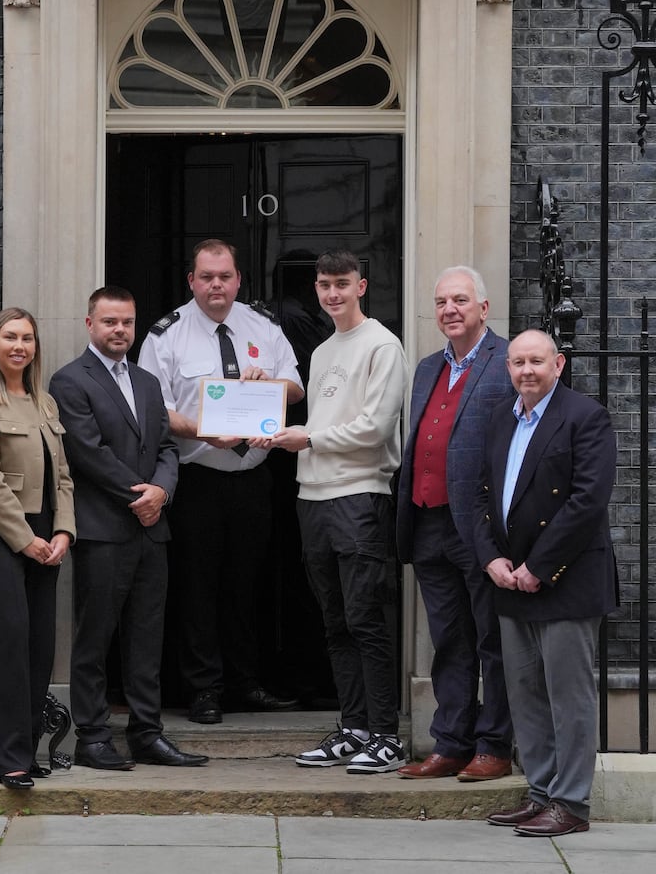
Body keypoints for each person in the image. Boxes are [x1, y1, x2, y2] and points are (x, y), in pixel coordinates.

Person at [137, 239, 304, 724]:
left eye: (225, 276)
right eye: (207, 277)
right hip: (198, 481)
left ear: (238, 279)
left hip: (253, 479)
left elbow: (296, 388)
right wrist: (203, 429)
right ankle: (204, 688)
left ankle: (246, 682)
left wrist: (267, 384)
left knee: (246, 585)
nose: (217, 285)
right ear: (192, 280)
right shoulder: (166, 336)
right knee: (198, 589)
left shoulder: (263, 326)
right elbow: (154, 411)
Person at [257, 249, 409, 774]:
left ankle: (386, 735)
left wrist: (308, 438)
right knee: (335, 621)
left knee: (367, 619)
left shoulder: (383, 346)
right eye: (324, 285)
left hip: (361, 496)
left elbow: (374, 428)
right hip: (312, 499)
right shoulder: (321, 352)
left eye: (342, 284)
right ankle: (355, 726)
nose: (332, 294)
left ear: (361, 286)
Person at [50, 286, 207, 769]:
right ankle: (93, 737)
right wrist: (141, 495)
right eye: (110, 322)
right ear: (90, 324)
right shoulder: (69, 381)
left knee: (146, 637)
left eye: (127, 322)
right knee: (94, 637)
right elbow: (87, 451)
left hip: (150, 529)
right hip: (102, 530)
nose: (120, 331)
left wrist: (161, 491)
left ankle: (147, 733)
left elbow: (165, 447)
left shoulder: (145, 381)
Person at [476, 329, 617, 837]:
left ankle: (571, 803)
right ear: (507, 368)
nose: (526, 371)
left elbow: (587, 502)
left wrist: (538, 566)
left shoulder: (586, 416)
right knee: (526, 694)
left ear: (558, 364)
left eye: (536, 361)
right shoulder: (499, 418)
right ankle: (540, 794)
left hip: (566, 580)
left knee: (569, 696)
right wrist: (491, 558)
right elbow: (481, 496)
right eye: (517, 363)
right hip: (510, 580)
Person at [395, 267, 514, 781]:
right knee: (449, 641)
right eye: (442, 301)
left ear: (482, 309)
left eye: (460, 300)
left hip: (480, 526)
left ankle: (494, 745)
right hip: (427, 521)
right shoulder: (425, 368)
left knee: (492, 640)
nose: (449, 309)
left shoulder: (506, 360)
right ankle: (451, 743)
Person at [0, 307, 76, 790]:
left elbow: (63, 478)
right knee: (9, 635)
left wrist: (63, 531)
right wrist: (26, 540)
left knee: (38, 643)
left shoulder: (45, 402)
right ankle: (6, 760)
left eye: (27, 338)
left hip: (45, 531)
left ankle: (26, 751)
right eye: (10, 337)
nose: (19, 346)